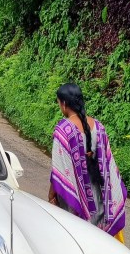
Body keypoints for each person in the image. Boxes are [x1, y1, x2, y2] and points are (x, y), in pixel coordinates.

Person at [48, 82, 126, 241]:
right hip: (99, 199)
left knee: (75, 239)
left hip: (75, 200)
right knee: (98, 239)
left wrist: (51, 195)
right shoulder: (99, 127)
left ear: (64, 104)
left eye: (59, 103)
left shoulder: (63, 130)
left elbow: (59, 170)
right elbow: (109, 164)